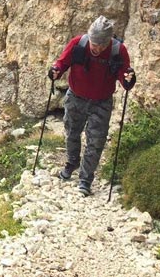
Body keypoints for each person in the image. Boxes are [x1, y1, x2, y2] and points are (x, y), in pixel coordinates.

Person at [48, 16, 136, 196]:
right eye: (93, 43)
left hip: (102, 101)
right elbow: (62, 63)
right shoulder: (78, 44)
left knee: (95, 141)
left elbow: (123, 74)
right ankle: (72, 161)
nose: (95, 48)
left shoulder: (118, 51)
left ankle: (85, 179)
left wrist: (129, 79)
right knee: (72, 131)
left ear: (108, 42)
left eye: (100, 45)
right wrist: (55, 70)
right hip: (76, 97)